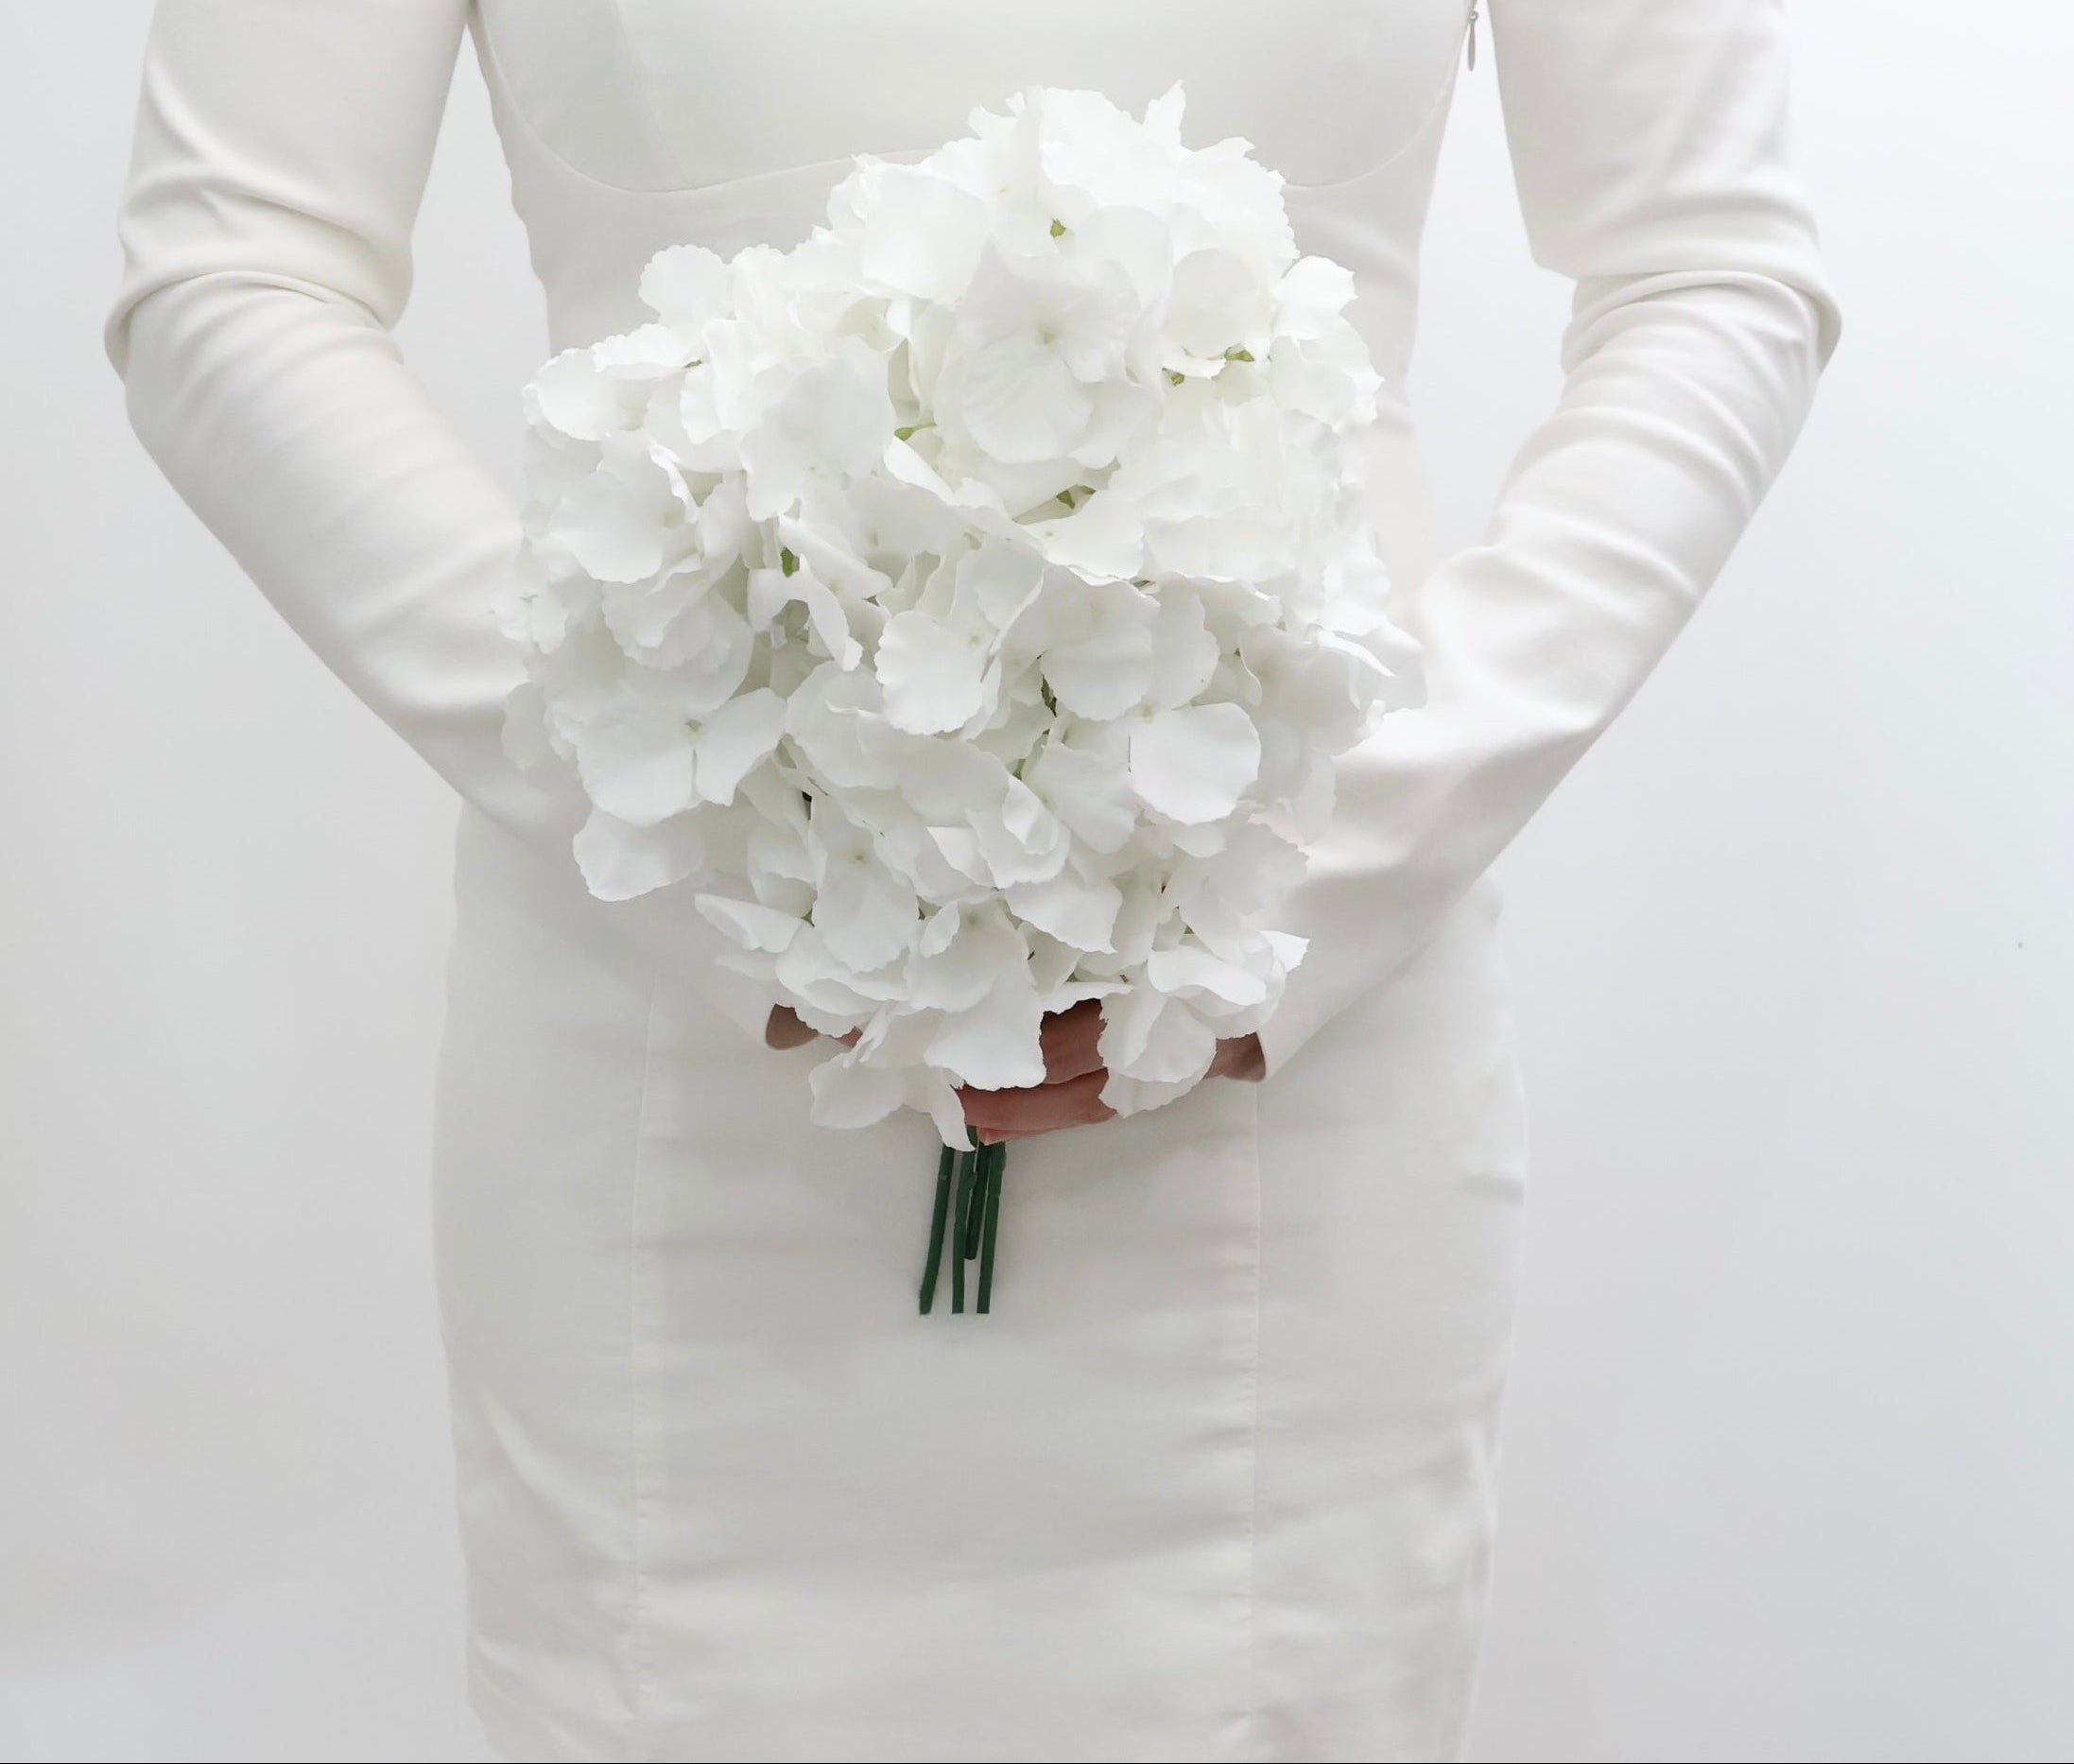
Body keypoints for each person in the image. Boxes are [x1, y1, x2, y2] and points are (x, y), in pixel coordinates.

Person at [107, 3, 1839, 1757]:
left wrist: (1324, 863)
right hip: (682, 1052)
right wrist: (698, 830)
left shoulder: (1313, 902)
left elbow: (1709, 271)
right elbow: (229, 277)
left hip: (1295, 1047)